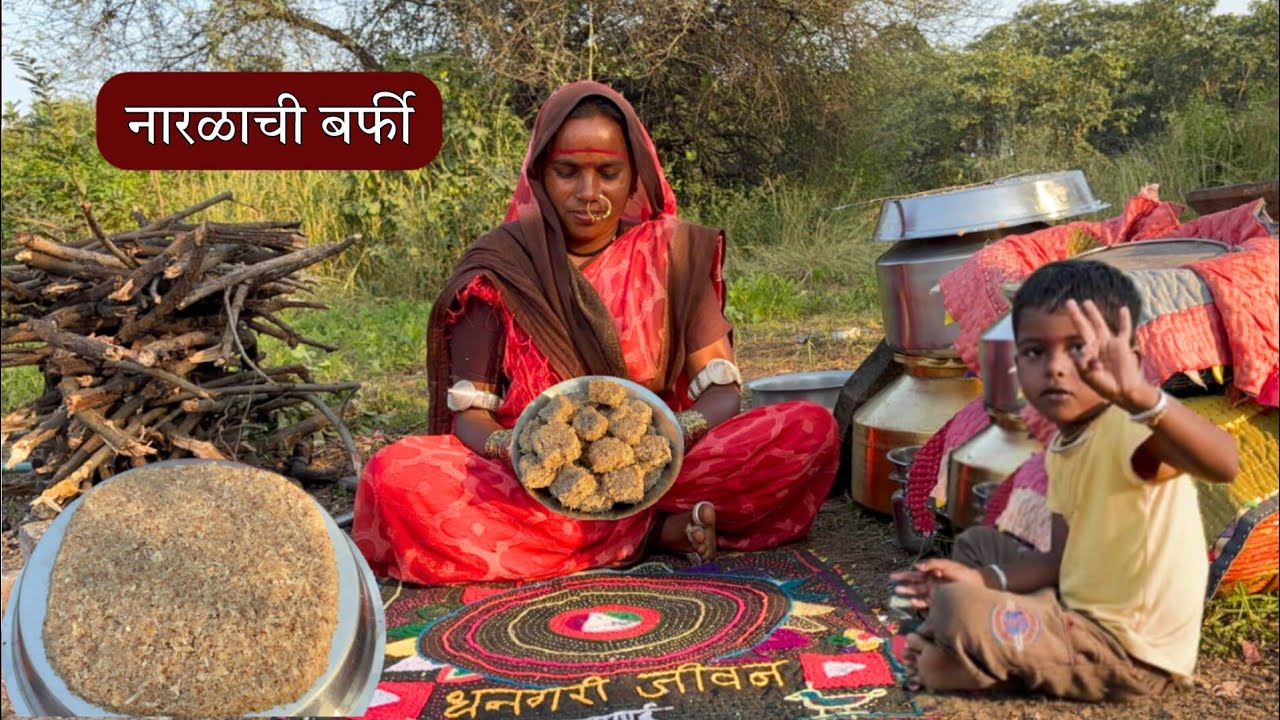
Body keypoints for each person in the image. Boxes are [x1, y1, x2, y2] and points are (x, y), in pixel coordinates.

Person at [352, 81, 839, 585]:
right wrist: (516, 450)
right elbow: (471, 416)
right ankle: (651, 535)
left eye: (608, 173)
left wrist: (672, 434)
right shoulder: (501, 267)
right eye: (568, 172)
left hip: (662, 467)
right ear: (539, 175)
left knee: (809, 431)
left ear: (634, 179)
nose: (589, 194)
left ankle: (618, 527)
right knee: (397, 477)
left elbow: (721, 390)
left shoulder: (674, 254)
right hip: (533, 479)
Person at [890, 259, 1239, 701]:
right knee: (976, 550)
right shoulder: (1063, 447)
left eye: (1079, 350)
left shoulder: (1130, 428)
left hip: (1129, 651)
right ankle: (994, 641)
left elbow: (1225, 463)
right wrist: (984, 580)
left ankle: (963, 659)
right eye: (1036, 352)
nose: (1055, 368)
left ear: (1126, 361)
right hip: (1074, 610)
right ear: (1017, 362)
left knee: (955, 608)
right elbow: (1060, 560)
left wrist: (1143, 397)